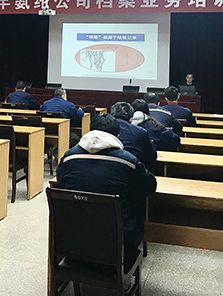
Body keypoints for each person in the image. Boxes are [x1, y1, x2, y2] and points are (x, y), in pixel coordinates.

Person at [56, 113, 157, 273]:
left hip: (73, 239)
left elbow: (62, 184)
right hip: (118, 242)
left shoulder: (68, 157)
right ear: (117, 136)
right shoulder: (128, 161)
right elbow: (150, 186)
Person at [110, 102, 157, 171]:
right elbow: (151, 157)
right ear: (131, 119)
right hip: (132, 170)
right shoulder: (140, 132)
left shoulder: (102, 129)